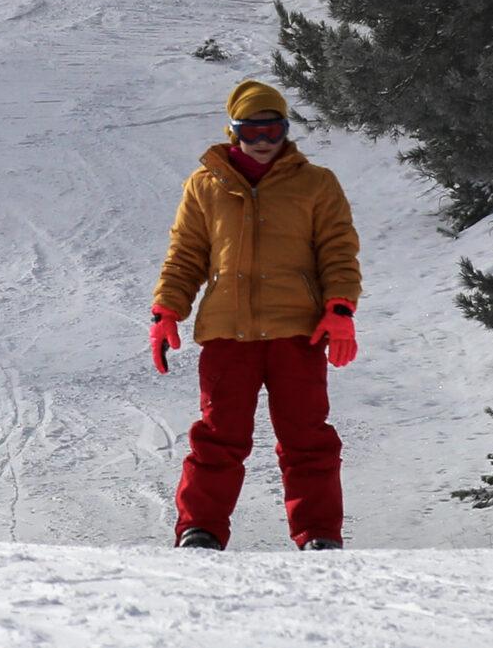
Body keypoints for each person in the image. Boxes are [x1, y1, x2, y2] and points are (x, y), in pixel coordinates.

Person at [148, 81, 362, 551]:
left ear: (286, 130)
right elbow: (185, 255)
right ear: (233, 131)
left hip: (297, 333)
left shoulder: (316, 183)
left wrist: (340, 307)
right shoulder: (205, 185)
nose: (263, 141)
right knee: (218, 437)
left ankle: (319, 534)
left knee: (307, 438)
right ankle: (200, 530)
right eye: (251, 131)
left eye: (273, 129)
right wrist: (166, 310)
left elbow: (338, 251)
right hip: (228, 334)